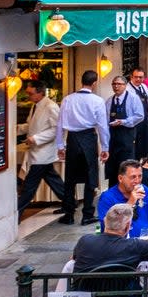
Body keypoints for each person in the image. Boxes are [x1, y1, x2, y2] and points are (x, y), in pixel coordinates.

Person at [73, 203, 148, 273]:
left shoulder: (84, 241)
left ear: (106, 222)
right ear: (128, 227)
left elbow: (73, 261)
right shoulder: (134, 245)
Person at [56, 70, 111, 225]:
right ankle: (87, 213)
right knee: (90, 176)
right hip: (88, 138)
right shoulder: (97, 101)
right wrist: (105, 147)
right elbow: (102, 126)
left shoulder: (67, 99)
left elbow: (60, 124)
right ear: (94, 83)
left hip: (72, 139)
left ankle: (69, 214)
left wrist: (60, 145)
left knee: (70, 178)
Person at [16, 80, 65, 218]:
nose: (29, 96)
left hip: (44, 152)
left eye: (31, 93)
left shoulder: (51, 107)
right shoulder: (35, 106)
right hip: (39, 152)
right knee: (53, 180)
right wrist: (16, 129)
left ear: (40, 93)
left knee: (29, 187)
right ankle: (69, 204)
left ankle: (17, 213)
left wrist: (36, 139)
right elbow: (30, 124)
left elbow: (57, 129)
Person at [97, 159, 148, 238]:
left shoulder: (144, 189)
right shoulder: (107, 197)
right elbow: (107, 226)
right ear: (120, 178)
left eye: (140, 176)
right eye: (133, 177)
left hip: (146, 240)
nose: (137, 181)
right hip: (121, 244)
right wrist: (131, 202)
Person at [105, 75, 146, 182]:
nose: (116, 86)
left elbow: (140, 115)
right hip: (112, 139)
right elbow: (105, 120)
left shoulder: (133, 98)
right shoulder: (109, 101)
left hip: (127, 137)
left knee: (126, 167)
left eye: (119, 84)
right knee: (113, 168)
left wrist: (123, 122)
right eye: (114, 84)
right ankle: (113, 194)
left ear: (125, 85)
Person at [128, 67, 148, 159]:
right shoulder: (128, 90)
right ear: (131, 77)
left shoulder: (144, 87)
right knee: (135, 148)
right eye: (136, 77)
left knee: (145, 148)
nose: (138, 79)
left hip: (145, 122)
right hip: (134, 123)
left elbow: (147, 101)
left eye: (141, 77)